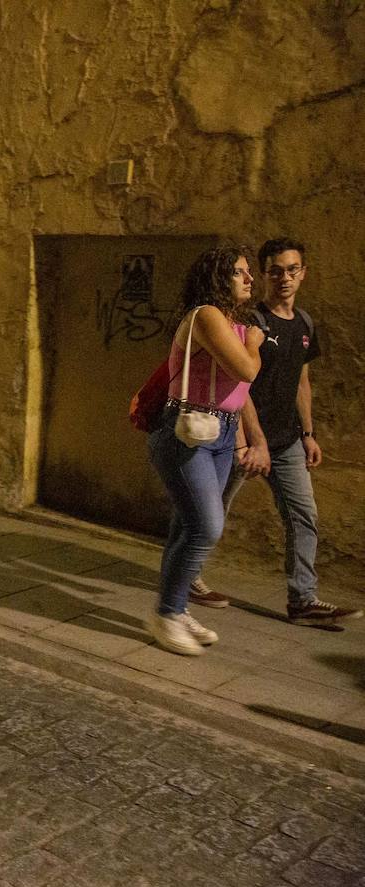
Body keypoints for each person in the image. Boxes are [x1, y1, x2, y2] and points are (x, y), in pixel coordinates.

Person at [194, 238, 359, 626]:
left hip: (286, 442)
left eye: (292, 269)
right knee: (210, 511)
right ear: (264, 274)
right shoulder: (249, 321)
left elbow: (302, 381)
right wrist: (253, 440)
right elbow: (238, 384)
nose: (284, 277)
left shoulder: (304, 323)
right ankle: (188, 577)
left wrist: (308, 432)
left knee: (304, 516)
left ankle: (302, 600)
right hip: (240, 437)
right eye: (275, 270)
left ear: (303, 273)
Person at [143, 247, 265, 655]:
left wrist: (247, 438)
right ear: (218, 277)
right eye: (240, 273)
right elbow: (247, 371)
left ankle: (174, 610)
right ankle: (167, 614)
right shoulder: (208, 315)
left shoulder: (232, 323)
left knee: (186, 526)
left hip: (222, 433)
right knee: (206, 527)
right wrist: (256, 342)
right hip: (188, 433)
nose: (249, 279)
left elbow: (237, 391)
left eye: (250, 273)